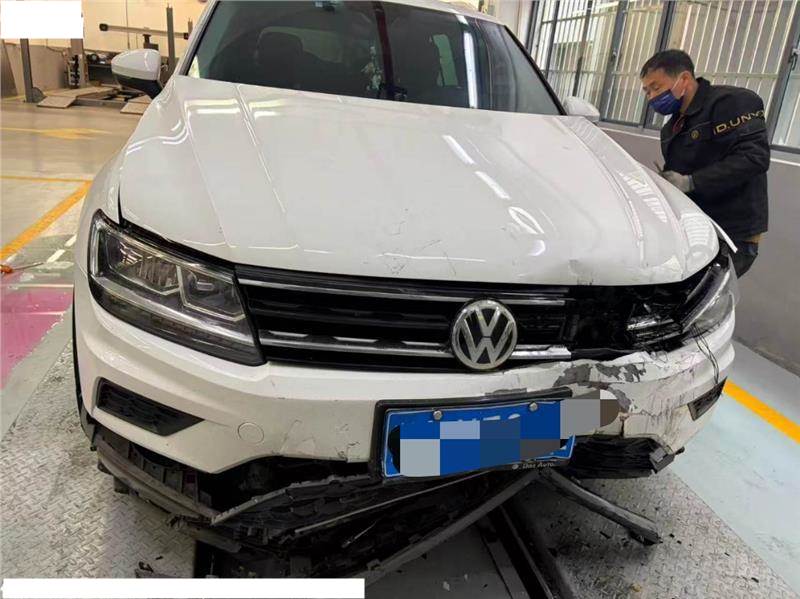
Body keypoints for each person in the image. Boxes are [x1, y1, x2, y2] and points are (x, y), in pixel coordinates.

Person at [640, 49, 769, 277]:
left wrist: (691, 182)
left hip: (731, 233)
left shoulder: (732, 103)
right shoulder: (671, 130)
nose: (651, 97)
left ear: (684, 79)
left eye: (656, 87)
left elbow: (754, 158)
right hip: (696, 230)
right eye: (647, 91)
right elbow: (678, 179)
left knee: (707, 291)